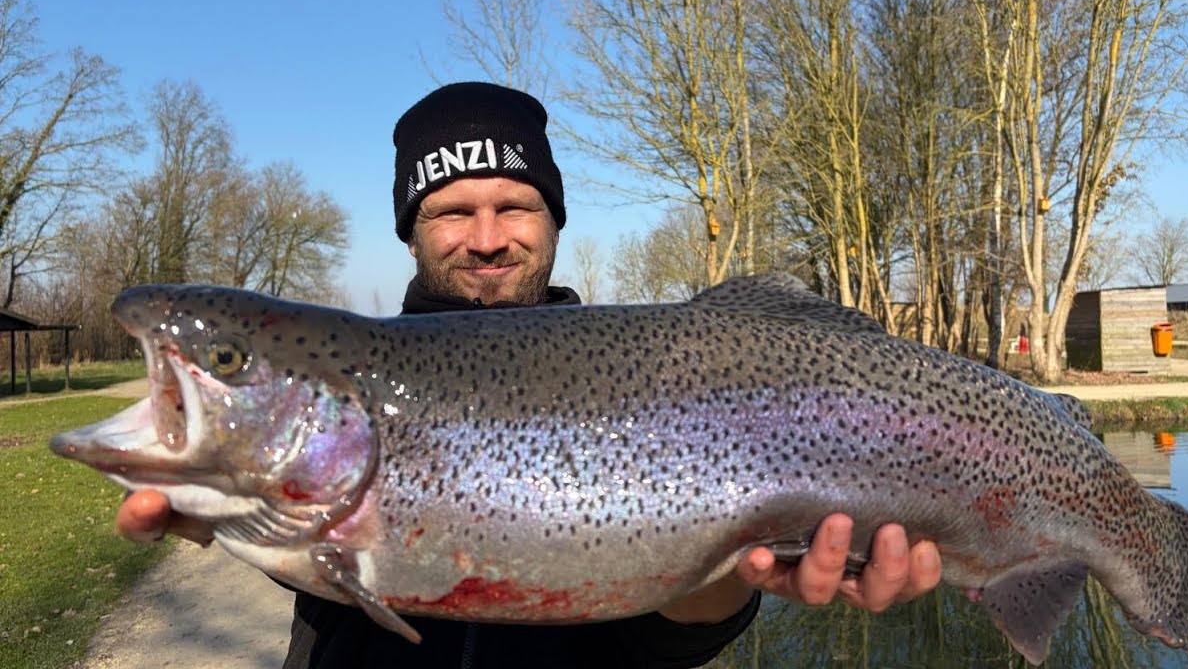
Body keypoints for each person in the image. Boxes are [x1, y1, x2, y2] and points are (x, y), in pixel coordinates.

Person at [116, 82, 943, 668]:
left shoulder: (653, 374)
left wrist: (728, 581)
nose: (486, 237)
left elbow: (669, 643)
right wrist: (235, 510)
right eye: (450, 211)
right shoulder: (357, 381)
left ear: (552, 221)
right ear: (410, 232)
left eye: (514, 206)